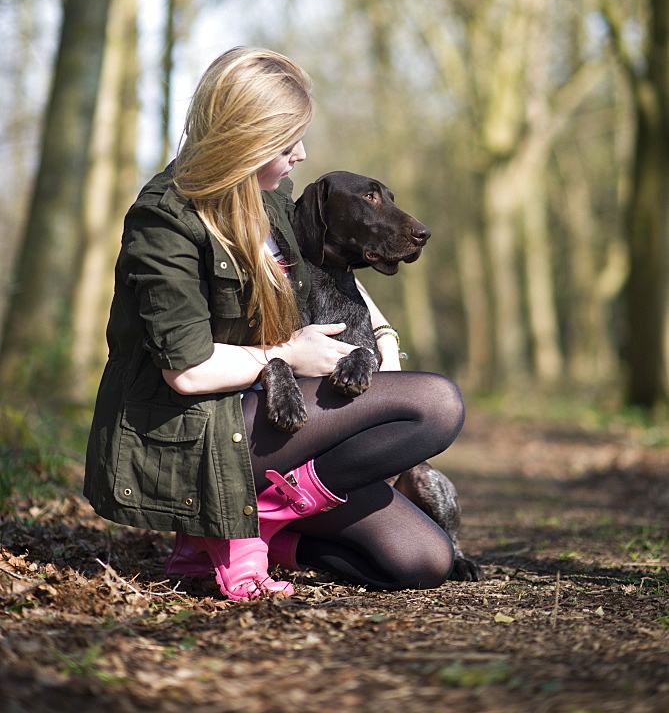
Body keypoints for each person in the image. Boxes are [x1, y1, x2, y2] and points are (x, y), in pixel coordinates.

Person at [84, 47, 465, 601]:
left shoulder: (273, 201)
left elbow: (334, 267)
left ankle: (265, 527)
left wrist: (382, 341)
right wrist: (285, 353)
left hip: (268, 424)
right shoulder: (164, 220)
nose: (302, 154)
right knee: (436, 406)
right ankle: (223, 519)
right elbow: (186, 373)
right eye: (287, 143)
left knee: (423, 560)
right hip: (193, 433)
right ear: (244, 138)